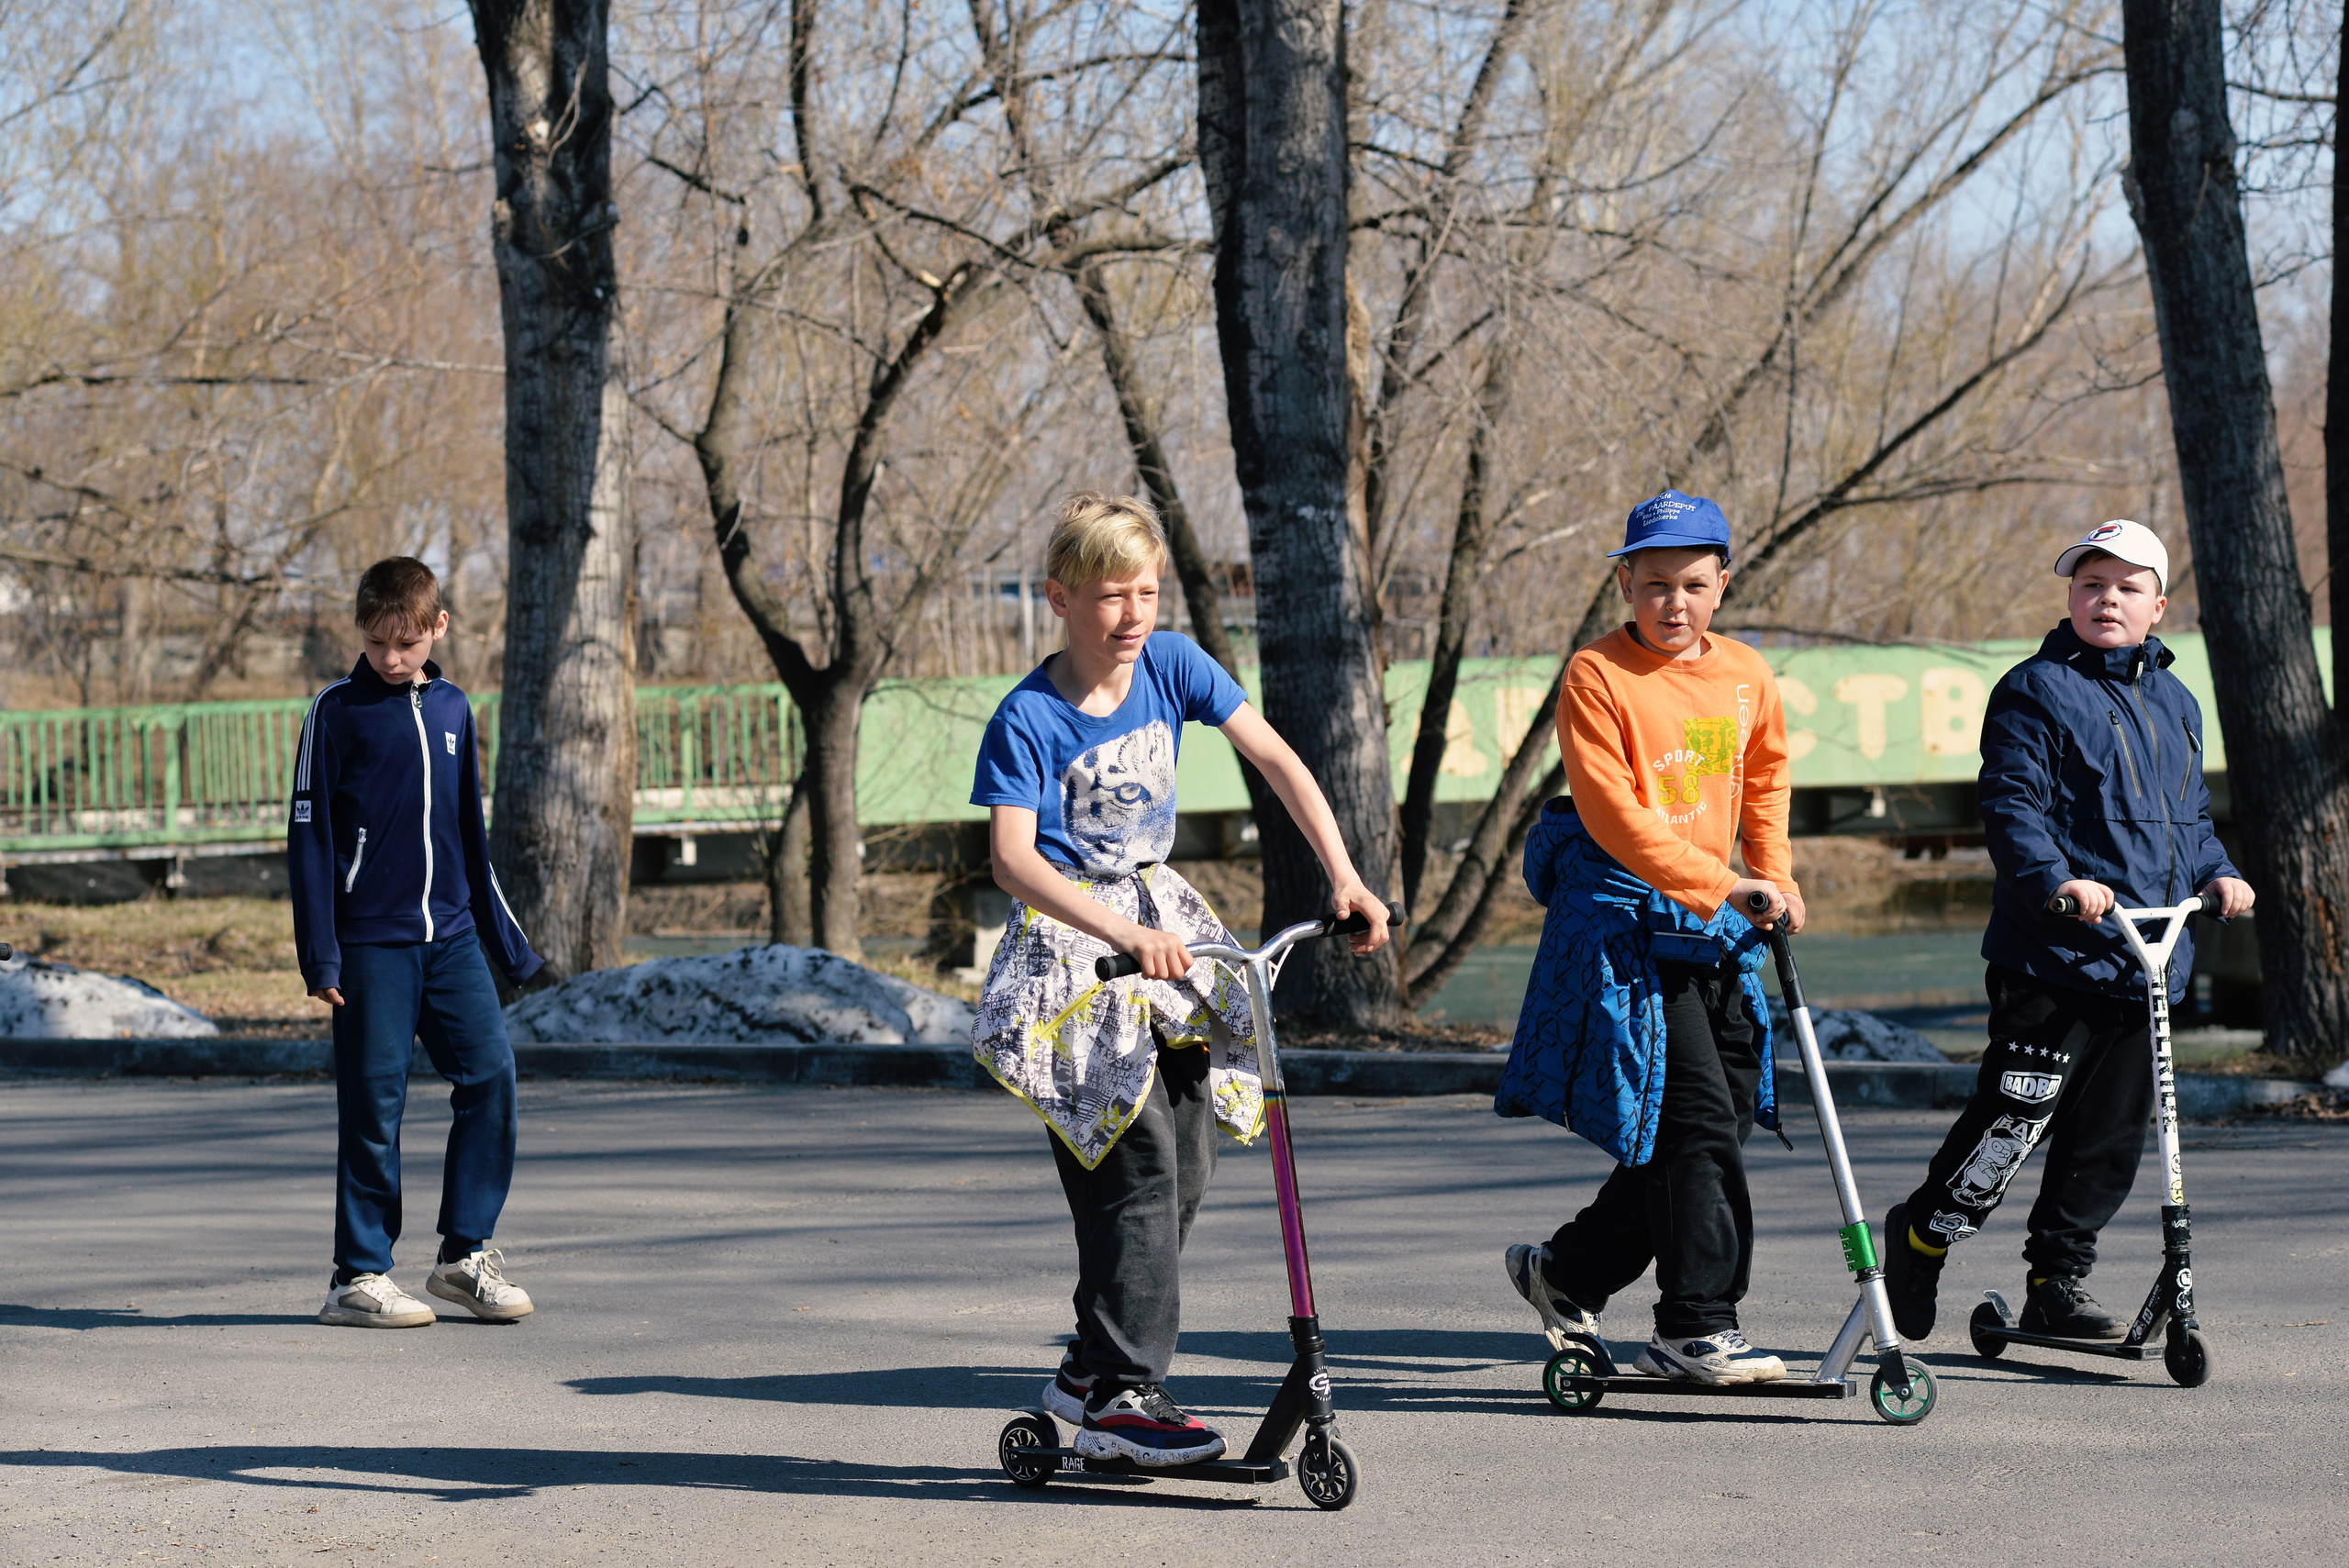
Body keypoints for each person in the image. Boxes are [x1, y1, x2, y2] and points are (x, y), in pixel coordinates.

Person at [969, 494, 1390, 1465]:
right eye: (1111, 596)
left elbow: (1276, 758)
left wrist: (1345, 874)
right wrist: (1118, 924)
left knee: (1184, 1162)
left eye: (1146, 593)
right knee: (1136, 1165)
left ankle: (1087, 1364)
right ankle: (1121, 1392)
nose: (1132, 616)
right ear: (1060, 597)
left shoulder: (1173, 664)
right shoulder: (1028, 716)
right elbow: (1012, 860)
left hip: (1164, 932)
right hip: (1074, 952)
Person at [1882, 520, 2252, 1340]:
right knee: (2013, 1122)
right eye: (2091, 585)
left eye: (2126, 587)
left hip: (2144, 958)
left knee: (2109, 1138)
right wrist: (2057, 882)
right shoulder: (2034, 689)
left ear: (2158, 605)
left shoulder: (2178, 702)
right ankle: (1920, 1237)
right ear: (2071, 598)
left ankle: (2058, 1279)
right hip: (2051, 952)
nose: (2106, 599)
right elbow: (2013, 804)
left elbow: (2186, 819)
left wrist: (2217, 871)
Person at [1495, 489, 1802, 1385]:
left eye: (1694, 585)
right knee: (1696, 1116)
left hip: (1718, 919)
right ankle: (1695, 1325)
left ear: (1722, 584)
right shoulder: (1597, 674)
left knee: (1719, 1116)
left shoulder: (1746, 674)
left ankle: (1569, 1270)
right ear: (1624, 581)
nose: (1674, 602)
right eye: (1655, 583)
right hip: (1628, 922)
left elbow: (1765, 782)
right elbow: (1613, 811)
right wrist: (1723, 883)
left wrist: (1774, 874)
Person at [288, 557, 545, 1329]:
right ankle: (358, 1276)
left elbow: (471, 836)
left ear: (438, 627)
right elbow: (308, 840)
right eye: (375, 643)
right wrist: (321, 953)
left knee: (491, 1075)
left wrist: (510, 945)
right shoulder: (334, 712)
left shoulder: (455, 710)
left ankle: (465, 1256)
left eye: (404, 643)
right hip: (371, 943)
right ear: (361, 633)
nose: (390, 658)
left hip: (454, 935)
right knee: (376, 1105)